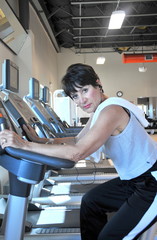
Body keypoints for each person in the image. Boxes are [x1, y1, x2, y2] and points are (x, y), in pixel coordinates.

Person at [0, 63, 157, 240]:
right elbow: (76, 140)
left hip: (151, 185)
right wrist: (39, 141)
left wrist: (24, 145)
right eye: (75, 95)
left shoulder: (111, 110)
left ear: (98, 83)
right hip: (133, 181)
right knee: (91, 201)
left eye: (84, 90)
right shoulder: (101, 108)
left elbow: (77, 152)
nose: (81, 100)